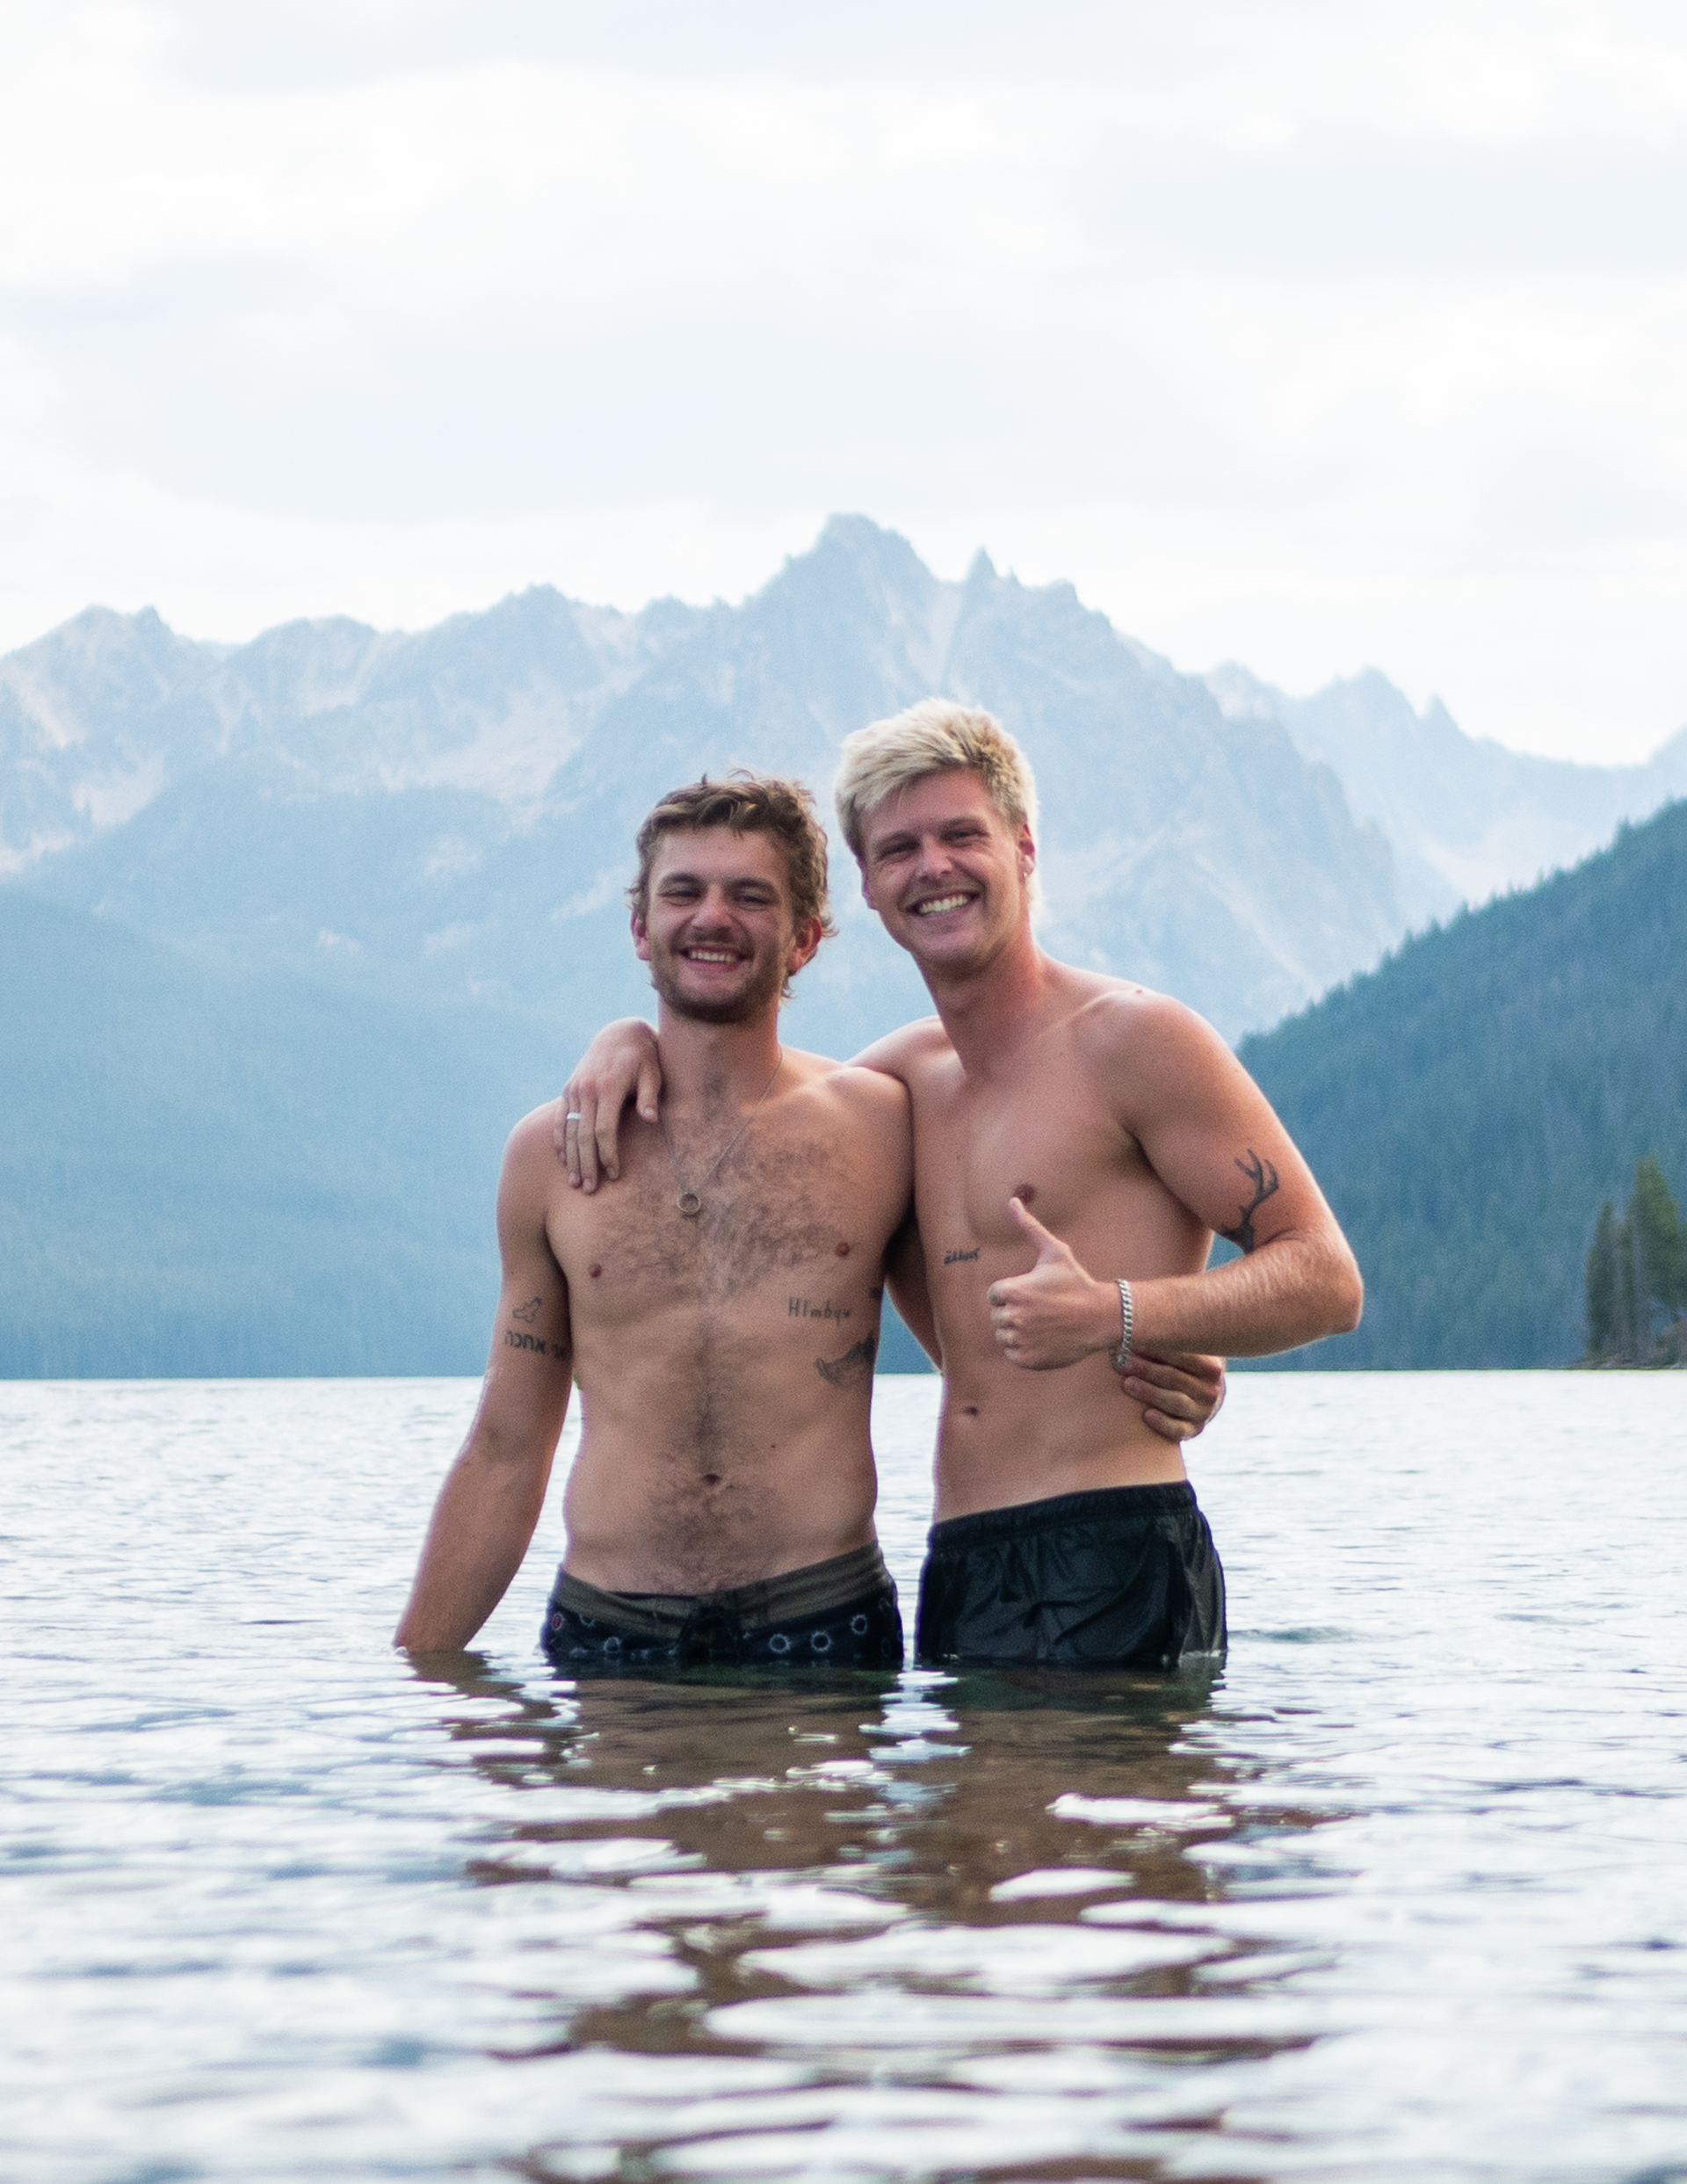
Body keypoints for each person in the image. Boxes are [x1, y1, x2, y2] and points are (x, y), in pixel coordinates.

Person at [559, 701, 1363, 1671]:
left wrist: (1121, 1312)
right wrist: (627, 1040)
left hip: (1112, 1541)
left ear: (1024, 849)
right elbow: (754, 1103)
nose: (932, 867)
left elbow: (1326, 1276)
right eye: (899, 848)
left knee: (1125, 1824)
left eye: (960, 835)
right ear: (867, 884)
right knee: (957, 1827)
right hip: (963, 1564)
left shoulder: (1135, 1040)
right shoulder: (896, 1085)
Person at [397, 768, 1220, 1667]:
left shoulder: (885, 1123)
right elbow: (507, 1450)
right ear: (641, 928)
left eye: (750, 896)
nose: (713, 917)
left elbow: (1005, 1303)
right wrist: (416, 1681)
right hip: (609, 1631)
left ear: (807, 940)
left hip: (820, 1626)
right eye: (684, 893)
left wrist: (1145, 1353)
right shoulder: (550, 1157)